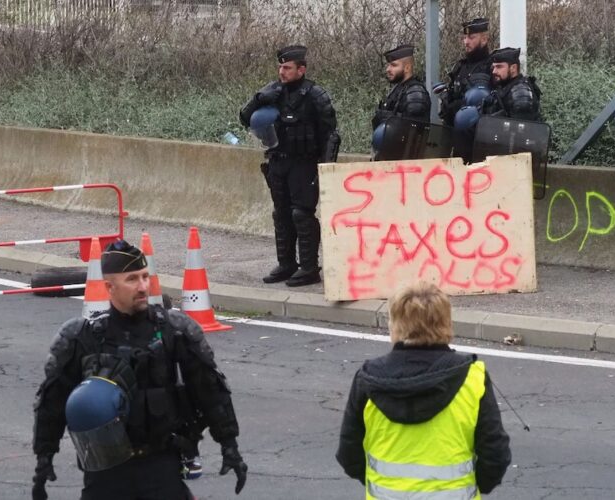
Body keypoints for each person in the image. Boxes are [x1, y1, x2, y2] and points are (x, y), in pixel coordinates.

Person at [31, 240, 247, 499]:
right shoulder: (82, 338)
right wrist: (44, 457)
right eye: (132, 279)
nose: (143, 286)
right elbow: (52, 402)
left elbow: (210, 388)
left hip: (161, 464)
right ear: (110, 287)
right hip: (105, 471)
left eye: (145, 277)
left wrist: (229, 444)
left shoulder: (174, 330)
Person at [336, 282, 510, 499]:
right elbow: (495, 453)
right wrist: (476, 486)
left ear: (396, 325)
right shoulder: (472, 377)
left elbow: (348, 453)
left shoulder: (368, 379)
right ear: (446, 322)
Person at [240, 44, 340, 287]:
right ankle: (286, 264)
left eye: (287, 67)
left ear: (301, 69)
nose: (282, 72)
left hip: (304, 164)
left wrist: (326, 168)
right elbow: (245, 118)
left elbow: (331, 134)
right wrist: (258, 99)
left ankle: (309, 268)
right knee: (281, 214)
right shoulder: (273, 91)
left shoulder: (315, 95)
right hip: (278, 162)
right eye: (280, 67)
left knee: (301, 214)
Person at [439, 17, 493, 127]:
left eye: (471, 37)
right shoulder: (460, 67)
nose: (466, 42)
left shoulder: (491, 67)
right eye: (465, 38)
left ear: (484, 39)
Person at [372, 44, 431, 130]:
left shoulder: (415, 93)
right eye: (388, 65)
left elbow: (413, 132)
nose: (388, 69)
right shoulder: (398, 89)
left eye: (394, 65)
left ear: (407, 68)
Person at [482, 47, 542, 121]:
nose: (494, 71)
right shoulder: (505, 87)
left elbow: (522, 130)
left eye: (499, 67)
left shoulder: (521, 94)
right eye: (493, 67)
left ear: (513, 68)